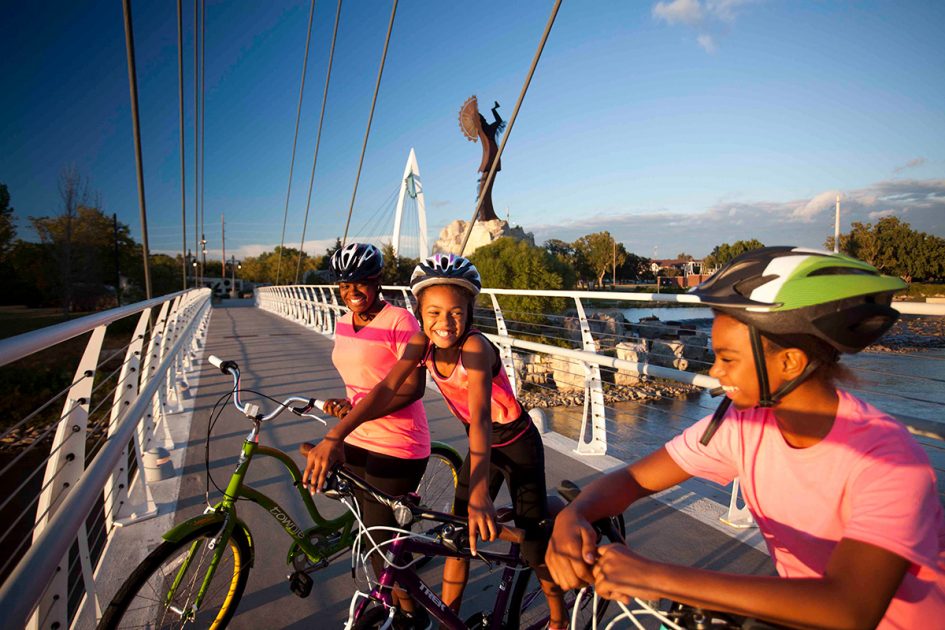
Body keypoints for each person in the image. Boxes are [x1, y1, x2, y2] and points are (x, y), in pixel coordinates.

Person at [546, 247, 945, 628]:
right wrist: (574, 514)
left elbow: (849, 608)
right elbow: (634, 479)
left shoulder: (889, 460)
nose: (716, 372)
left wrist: (653, 576)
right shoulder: (744, 424)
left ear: (790, 362)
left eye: (728, 358)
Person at [305, 253, 568, 629]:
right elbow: (385, 390)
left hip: (516, 443)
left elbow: (480, 419)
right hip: (482, 446)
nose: (444, 323)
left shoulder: (474, 348)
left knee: (532, 541)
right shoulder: (422, 343)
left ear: (470, 311)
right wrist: (335, 436)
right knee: (458, 538)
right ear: (419, 311)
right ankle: (450, 620)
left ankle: (559, 617)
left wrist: (479, 491)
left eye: (455, 313)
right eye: (433, 313)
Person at [303, 242, 432, 629]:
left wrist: (351, 420)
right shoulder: (344, 321)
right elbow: (362, 379)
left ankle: (413, 615)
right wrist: (345, 403)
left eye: (359, 282)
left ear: (376, 282)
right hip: (358, 437)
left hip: (398, 444)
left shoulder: (400, 322)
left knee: (381, 543)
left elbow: (411, 388)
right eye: (343, 285)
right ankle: (395, 605)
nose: (351, 291)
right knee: (372, 535)